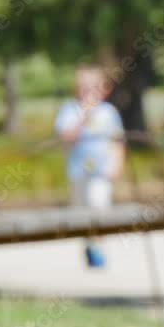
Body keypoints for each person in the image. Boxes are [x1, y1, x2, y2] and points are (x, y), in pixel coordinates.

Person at [54, 64, 125, 268]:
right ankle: (89, 243)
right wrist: (83, 118)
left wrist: (117, 164)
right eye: (82, 88)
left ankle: (98, 248)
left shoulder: (109, 112)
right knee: (81, 212)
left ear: (104, 89)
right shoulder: (70, 110)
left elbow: (117, 140)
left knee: (98, 206)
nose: (87, 93)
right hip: (78, 172)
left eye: (92, 88)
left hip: (101, 172)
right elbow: (66, 137)